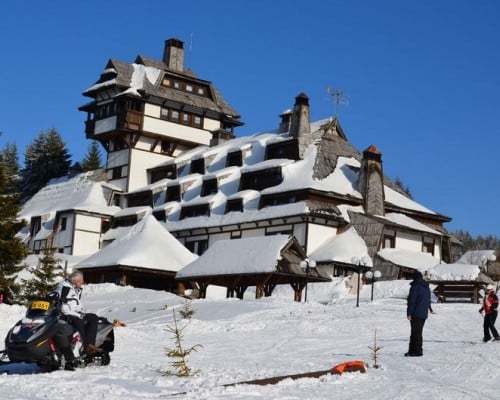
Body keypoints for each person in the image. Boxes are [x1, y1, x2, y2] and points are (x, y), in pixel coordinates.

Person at [56, 270, 102, 355]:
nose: (82, 283)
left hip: (73, 313)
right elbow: (63, 309)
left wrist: (81, 313)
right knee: (79, 321)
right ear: (76, 281)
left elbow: (75, 305)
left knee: (93, 317)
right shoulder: (66, 289)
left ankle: (90, 344)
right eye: (81, 281)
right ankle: (85, 347)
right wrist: (79, 315)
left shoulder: (73, 288)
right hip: (65, 315)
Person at [406, 270, 431, 357]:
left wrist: (409, 313)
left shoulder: (415, 287)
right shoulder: (426, 287)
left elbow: (412, 301)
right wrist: (429, 309)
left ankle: (416, 351)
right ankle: (413, 351)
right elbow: (428, 301)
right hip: (423, 313)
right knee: (417, 332)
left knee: (415, 333)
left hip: (416, 313)